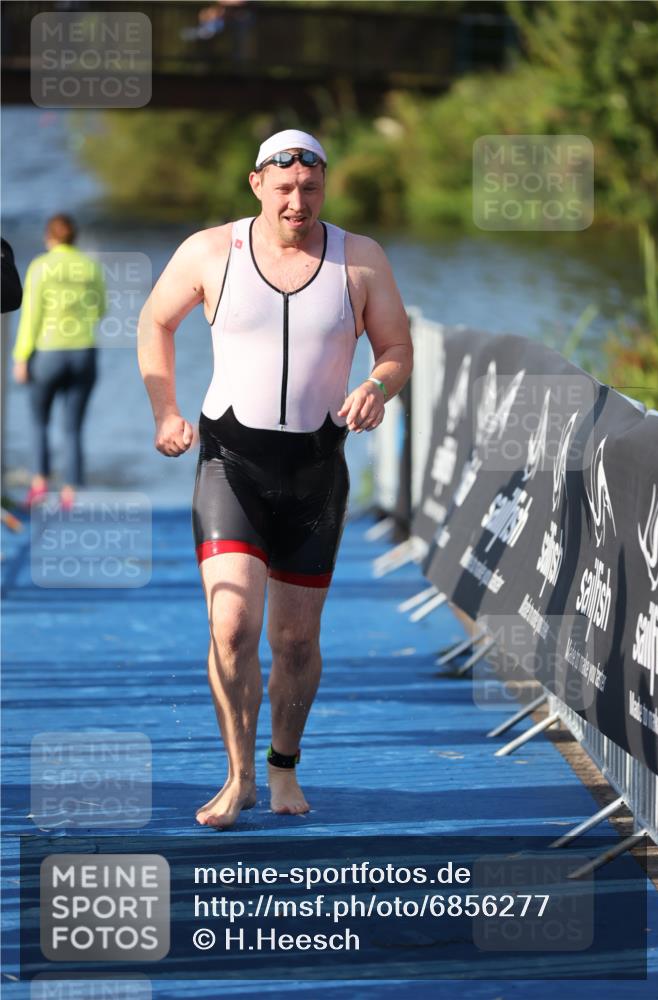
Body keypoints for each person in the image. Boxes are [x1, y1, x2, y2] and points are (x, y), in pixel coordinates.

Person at [138, 129, 413, 829]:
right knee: (232, 626)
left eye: (310, 189)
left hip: (316, 472)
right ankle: (236, 777)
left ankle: (282, 764)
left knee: (294, 641)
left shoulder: (360, 258)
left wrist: (378, 386)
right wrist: (166, 410)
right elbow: (154, 322)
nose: (297, 201)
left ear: (324, 187)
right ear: (257, 183)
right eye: (284, 188)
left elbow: (395, 348)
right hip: (230, 464)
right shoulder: (211, 251)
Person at [13, 214, 106, 509]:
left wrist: (20, 356)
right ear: (74, 237)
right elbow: (101, 309)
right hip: (84, 352)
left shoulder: (40, 266)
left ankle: (40, 484)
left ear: (48, 237)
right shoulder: (90, 265)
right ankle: (69, 493)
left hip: (48, 354)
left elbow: (31, 315)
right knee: (73, 427)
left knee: (39, 421)